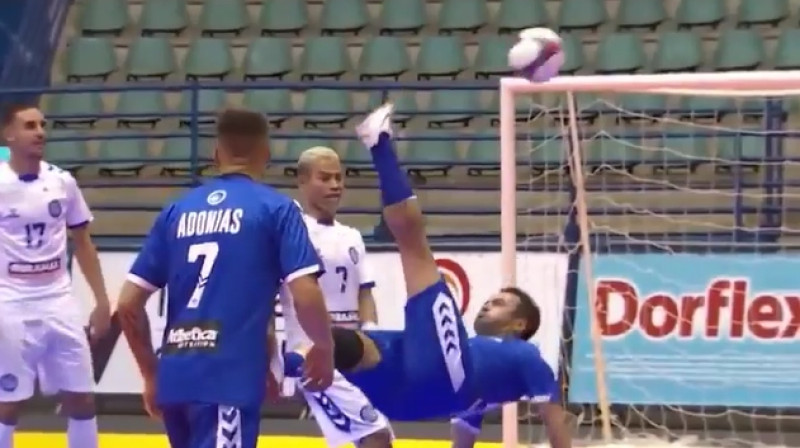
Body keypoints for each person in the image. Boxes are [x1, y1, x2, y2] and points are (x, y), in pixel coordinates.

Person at [284, 104, 572, 448]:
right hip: (407, 394)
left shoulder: (526, 356)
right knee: (348, 348)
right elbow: (464, 436)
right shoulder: (480, 371)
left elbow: (555, 420)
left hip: (443, 379)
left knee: (414, 245)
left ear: (519, 324)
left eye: (500, 304)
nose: (487, 304)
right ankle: (275, 365)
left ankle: (379, 143)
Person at [116, 108, 335, 448]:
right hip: (227, 381)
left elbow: (128, 304)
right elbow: (304, 292)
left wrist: (150, 374)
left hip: (177, 379)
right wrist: (324, 347)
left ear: (215, 153)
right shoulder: (276, 209)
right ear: (266, 152)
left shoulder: (176, 211)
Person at [0, 104, 111, 448]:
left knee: (82, 398)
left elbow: (83, 243)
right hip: (11, 302)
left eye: (42, 125)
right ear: (8, 135)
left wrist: (102, 301)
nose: (40, 132)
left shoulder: (62, 181)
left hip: (58, 301)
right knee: (8, 403)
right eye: (29, 126)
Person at [276, 146, 391, 448]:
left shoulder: (351, 236)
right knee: (376, 435)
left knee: (361, 436)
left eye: (339, 178)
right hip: (313, 354)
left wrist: (370, 334)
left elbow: (364, 291)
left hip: (352, 350)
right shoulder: (293, 233)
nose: (335, 185)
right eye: (325, 178)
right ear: (303, 181)